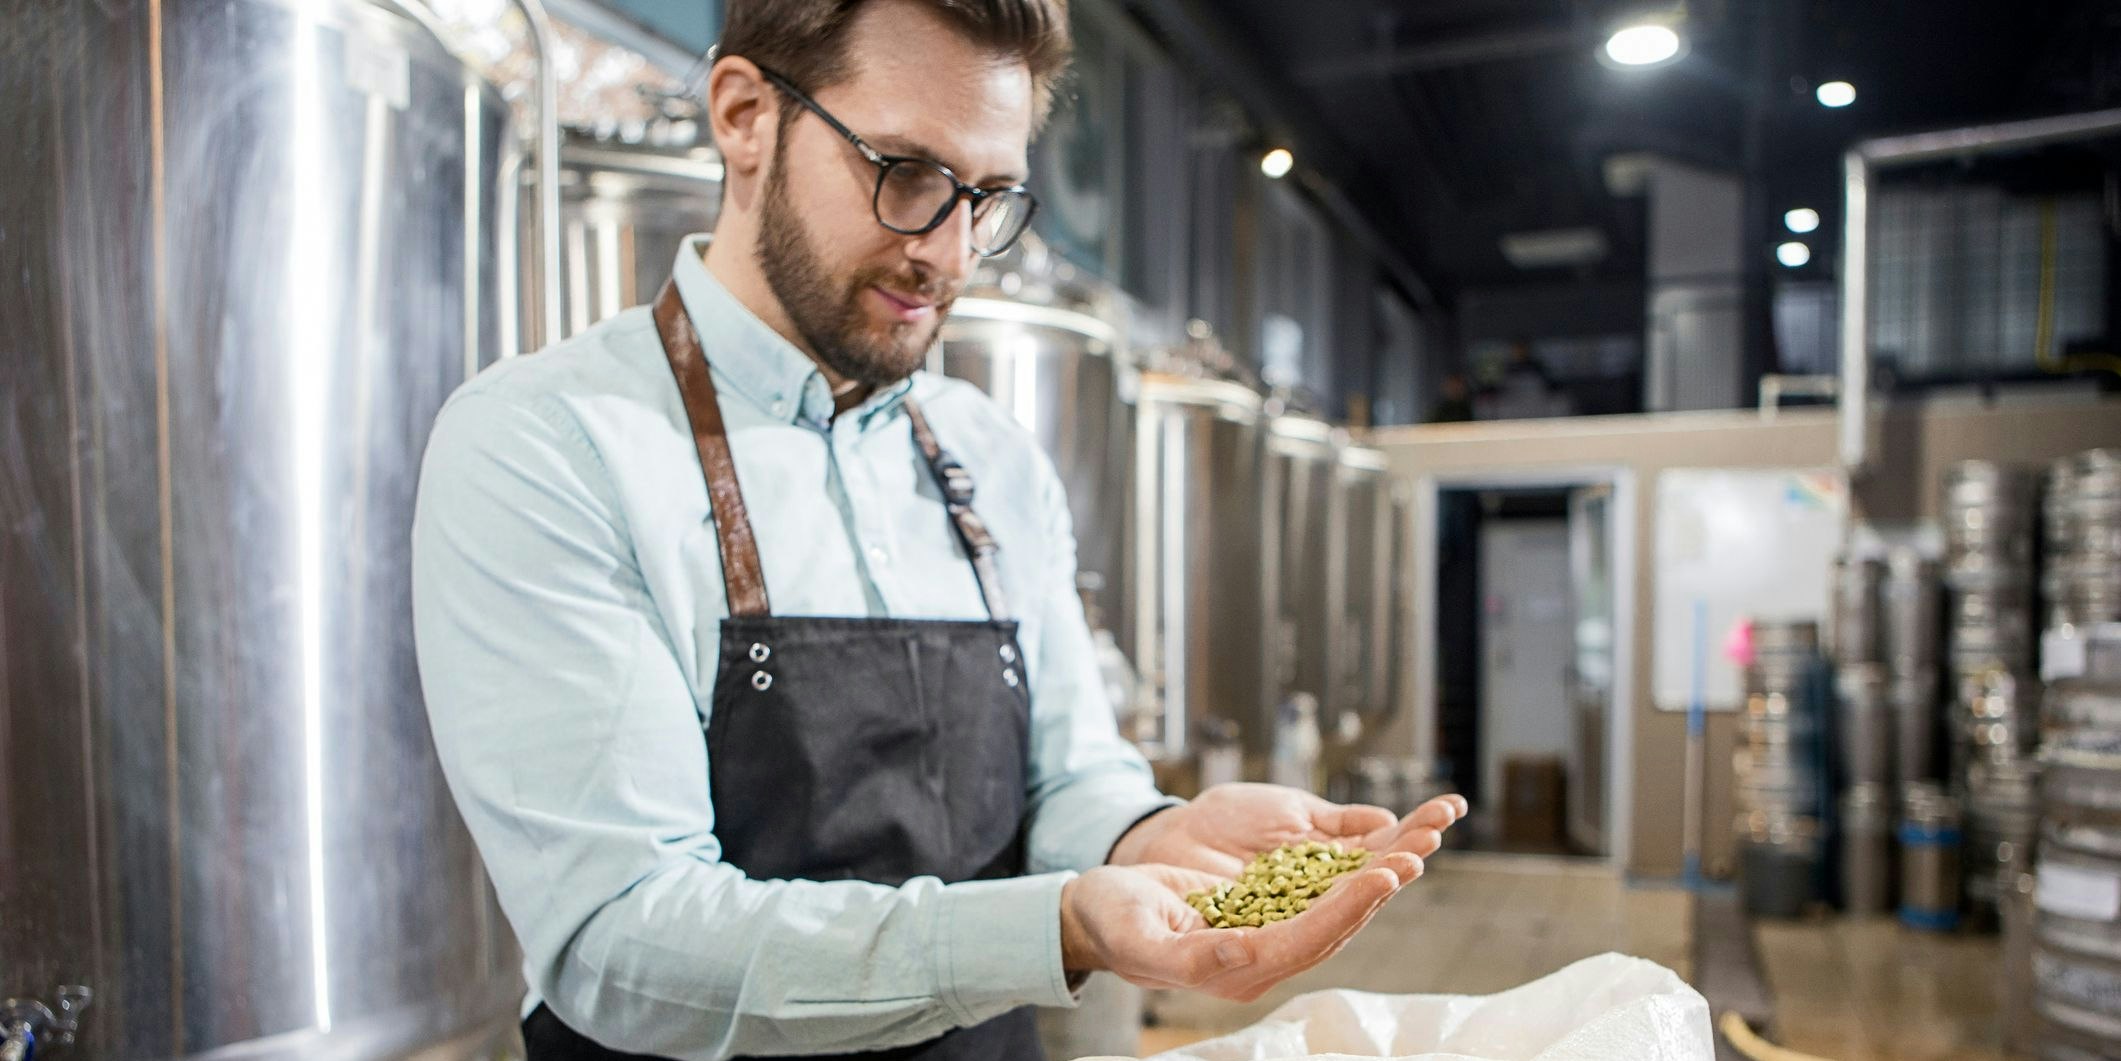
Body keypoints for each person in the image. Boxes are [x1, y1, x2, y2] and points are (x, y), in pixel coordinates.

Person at [410, 2, 1465, 1058]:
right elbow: (622, 938)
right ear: (743, 116)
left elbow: (1069, 776)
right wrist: (1057, 924)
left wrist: (1150, 833)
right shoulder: (548, 445)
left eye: (989, 196)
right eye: (905, 171)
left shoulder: (992, 457)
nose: (949, 252)